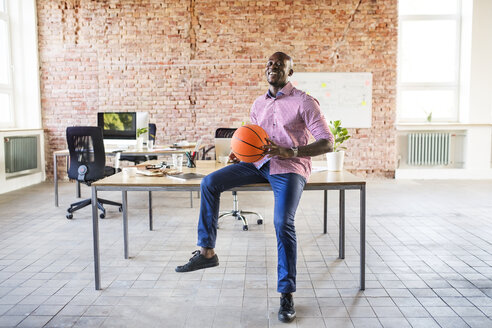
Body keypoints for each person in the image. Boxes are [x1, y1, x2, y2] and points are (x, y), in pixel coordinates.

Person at [176, 52, 334, 323]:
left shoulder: (304, 102)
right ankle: (206, 252)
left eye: (280, 65)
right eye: (269, 64)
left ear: (290, 72)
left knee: (283, 222)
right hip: (258, 164)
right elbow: (255, 139)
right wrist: (241, 153)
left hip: (289, 167)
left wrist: (291, 150)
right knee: (209, 182)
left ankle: (286, 293)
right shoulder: (258, 103)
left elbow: (327, 142)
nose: (273, 67)